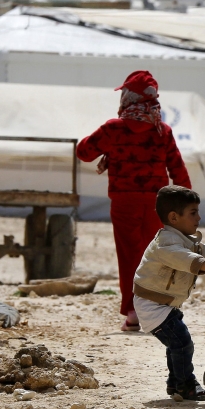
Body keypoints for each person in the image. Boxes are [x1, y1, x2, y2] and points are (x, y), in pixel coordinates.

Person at [77, 71, 192, 331]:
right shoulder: (162, 130)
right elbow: (178, 170)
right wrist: (187, 209)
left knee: (130, 256)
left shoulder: (113, 129)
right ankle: (156, 310)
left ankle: (133, 314)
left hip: (124, 203)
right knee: (153, 256)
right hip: (157, 205)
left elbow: (83, 152)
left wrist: (109, 145)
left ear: (129, 97)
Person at [132, 185, 205, 401]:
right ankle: (187, 385)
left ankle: (174, 384)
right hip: (152, 304)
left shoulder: (184, 239)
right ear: (174, 217)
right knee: (182, 343)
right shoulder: (166, 243)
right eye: (193, 213)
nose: (198, 218)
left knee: (176, 344)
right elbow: (182, 257)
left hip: (162, 304)